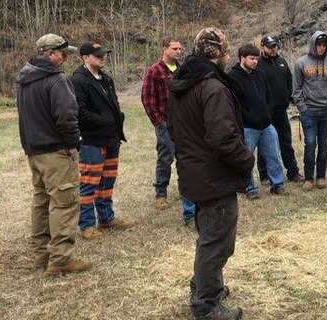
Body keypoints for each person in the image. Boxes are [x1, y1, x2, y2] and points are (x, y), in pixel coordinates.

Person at [168, 27, 254, 320]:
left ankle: (208, 286)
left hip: (195, 173)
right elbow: (222, 138)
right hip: (213, 177)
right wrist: (247, 160)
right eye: (228, 51)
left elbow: (174, 130)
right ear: (220, 54)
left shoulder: (184, 82)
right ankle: (205, 305)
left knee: (209, 234)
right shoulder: (213, 87)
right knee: (217, 241)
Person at [16, 33, 91, 276]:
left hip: (34, 151)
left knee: (41, 200)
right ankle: (60, 260)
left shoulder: (24, 78)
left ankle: (41, 253)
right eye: (62, 52)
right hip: (55, 152)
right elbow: (68, 116)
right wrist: (72, 143)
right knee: (64, 202)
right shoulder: (56, 79)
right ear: (50, 54)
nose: (65, 56)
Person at [71, 41, 134, 240]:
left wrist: (118, 118)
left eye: (103, 54)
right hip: (92, 140)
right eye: (98, 55)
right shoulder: (78, 80)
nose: (103, 57)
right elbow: (78, 112)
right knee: (89, 183)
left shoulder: (106, 79)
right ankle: (87, 225)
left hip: (112, 139)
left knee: (107, 181)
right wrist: (104, 121)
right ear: (85, 58)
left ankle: (106, 218)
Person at [142, 37, 197, 229]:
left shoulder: (183, 70)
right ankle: (161, 193)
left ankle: (186, 189)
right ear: (165, 49)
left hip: (182, 123)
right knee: (165, 157)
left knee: (185, 157)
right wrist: (158, 121)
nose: (178, 52)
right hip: (165, 122)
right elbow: (148, 99)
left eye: (180, 49)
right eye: (174, 48)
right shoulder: (154, 71)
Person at [228, 44, 286, 199]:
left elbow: (268, 95)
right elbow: (234, 104)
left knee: (274, 155)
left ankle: (277, 184)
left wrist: (268, 112)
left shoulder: (260, 73)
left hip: (266, 124)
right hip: (247, 127)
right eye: (251, 59)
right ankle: (250, 188)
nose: (255, 62)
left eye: (256, 59)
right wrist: (247, 118)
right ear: (242, 58)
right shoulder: (232, 77)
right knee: (246, 159)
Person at [293, 31, 327, 191]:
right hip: (309, 111)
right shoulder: (301, 63)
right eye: (319, 44)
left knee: (323, 144)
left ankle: (321, 176)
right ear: (313, 44)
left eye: (324, 45)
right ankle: (308, 178)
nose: (321, 48)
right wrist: (303, 108)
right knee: (310, 144)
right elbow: (296, 88)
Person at [256, 36, 302, 183]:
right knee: (265, 144)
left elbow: (290, 80)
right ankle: (264, 175)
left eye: (275, 46)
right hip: (265, 112)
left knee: (286, 142)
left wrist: (288, 96)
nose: (273, 48)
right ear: (262, 47)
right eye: (270, 46)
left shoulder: (282, 62)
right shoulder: (257, 65)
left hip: (281, 111)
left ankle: (293, 172)